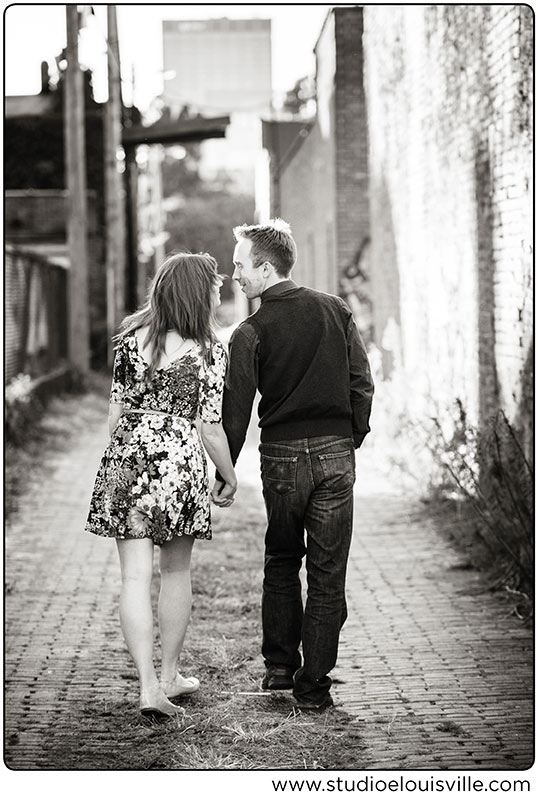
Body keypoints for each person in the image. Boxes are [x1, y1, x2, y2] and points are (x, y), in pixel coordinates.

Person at [212, 219, 374, 712]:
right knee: (328, 572)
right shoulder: (335, 310)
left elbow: (234, 411)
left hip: (282, 458)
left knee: (283, 558)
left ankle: (281, 666)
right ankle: (313, 686)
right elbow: (361, 382)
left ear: (265, 266)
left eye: (241, 265)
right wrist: (351, 437)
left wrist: (225, 472)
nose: (235, 275)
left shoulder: (250, 332)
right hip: (334, 454)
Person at [86, 253, 237, 721]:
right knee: (174, 573)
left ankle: (149, 686)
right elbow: (209, 427)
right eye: (213, 286)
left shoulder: (132, 341)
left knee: (133, 577)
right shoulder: (211, 350)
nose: (218, 292)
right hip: (179, 466)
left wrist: (125, 461)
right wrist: (229, 475)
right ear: (196, 293)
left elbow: (115, 413)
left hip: (128, 457)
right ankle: (169, 675)